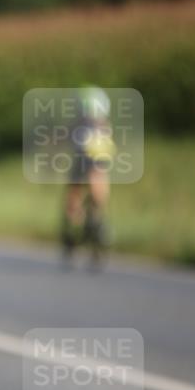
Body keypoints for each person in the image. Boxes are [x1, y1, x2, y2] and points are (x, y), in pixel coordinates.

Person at [61, 85, 115, 261]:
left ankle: (95, 222)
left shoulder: (101, 125)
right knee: (77, 193)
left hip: (95, 161)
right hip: (85, 160)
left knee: (94, 187)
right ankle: (80, 223)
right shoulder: (88, 124)